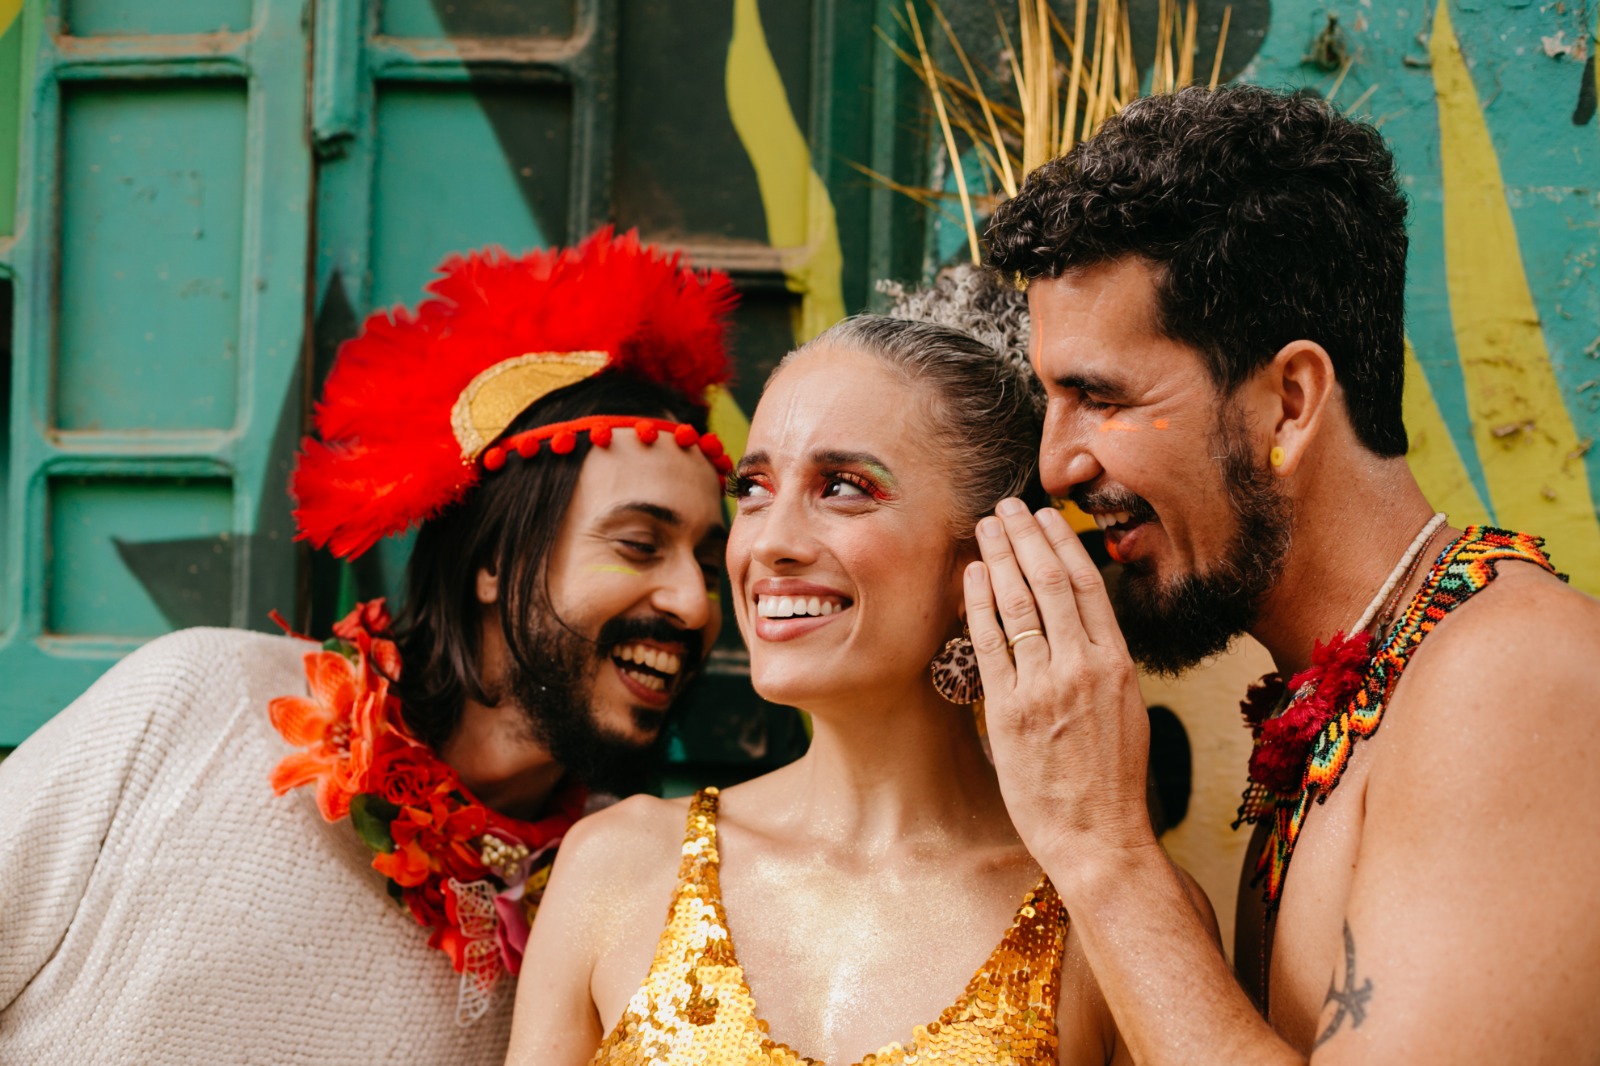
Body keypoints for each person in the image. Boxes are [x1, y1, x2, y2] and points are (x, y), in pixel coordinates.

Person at [968, 85, 1600, 1063]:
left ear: (1290, 402)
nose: (1056, 465)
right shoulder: (1344, 706)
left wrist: (1100, 844)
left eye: (1100, 396)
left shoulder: (1509, 676)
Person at [0, 229, 737, 1063]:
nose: (694, 604)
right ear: (494, 563)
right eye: (640, 545)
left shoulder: (615, 897)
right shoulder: (200, 700)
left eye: (710, 567)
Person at [505, 312, 1216, 1066]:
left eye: (843, 487)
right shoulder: (613, 869)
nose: (769, 542)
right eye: (754, 489)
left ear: (988, 555)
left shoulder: (1116, 917)